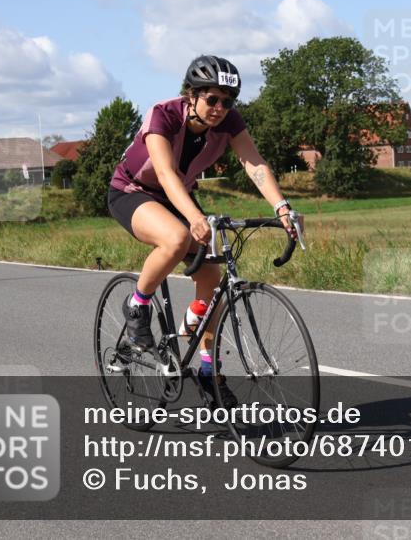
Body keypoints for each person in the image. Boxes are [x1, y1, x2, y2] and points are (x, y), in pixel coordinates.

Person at [107, 55, 298, 408]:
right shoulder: (163, 115)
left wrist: (281, 207)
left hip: (181, 196)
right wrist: (194, 217)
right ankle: (137, 305)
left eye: (228, 101)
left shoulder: (229, 123)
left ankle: (210, 371)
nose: (220, 108)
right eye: (212, 99)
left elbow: (253, 163)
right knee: (177, 238)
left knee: (212, 276)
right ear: (191, 94)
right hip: (134, 193)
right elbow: (164, 173)